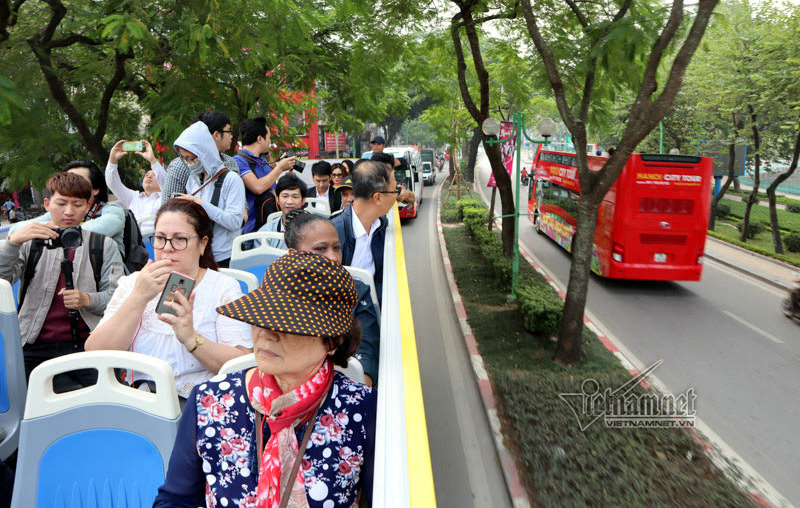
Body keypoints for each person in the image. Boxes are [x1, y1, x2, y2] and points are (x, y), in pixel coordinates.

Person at [153, 250, 376, 508]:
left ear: (332, 341)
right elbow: (174, 500)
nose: (267, 334)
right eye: (262, 317)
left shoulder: (362, 409)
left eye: (289, 324)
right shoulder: (210, 402)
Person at [86, 199, 252, 398]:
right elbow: (97, 352)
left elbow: (241, 364)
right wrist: (138, 298)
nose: (167, 248)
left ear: (202, 244)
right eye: (160, 238)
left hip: (199, 401)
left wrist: (191, 338)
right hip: (138, 400)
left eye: (180, 239)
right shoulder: (133, 284)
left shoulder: (223, 288)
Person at [0, 172, 124, 390]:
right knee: (23, 402)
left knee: (105, 398)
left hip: (88, 344)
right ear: (47, 204)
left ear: (88, 207)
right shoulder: (30, 243)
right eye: (61, 203)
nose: (69, 211)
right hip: (33, 343)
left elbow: (118, 296)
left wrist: (87, 299)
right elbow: (3, 280)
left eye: (77, 204)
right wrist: (11, 243)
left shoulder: (102, 245)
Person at [284, 210, 380, 386]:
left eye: (336, 247)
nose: (334, 258)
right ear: (293, 255)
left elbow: (366, 358)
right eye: (320, 249)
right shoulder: (276, 297)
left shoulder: (357, 292)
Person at [9, 160, 127, 255]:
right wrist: (44, 227)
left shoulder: (112, 211)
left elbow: (101, 228)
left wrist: (52, 231)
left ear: (96, 189)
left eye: (80, 181)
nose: (73, 184)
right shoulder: (57, 213)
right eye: (69, 179)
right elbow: (16, 231)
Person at [171, 121, 246, 267]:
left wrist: (200, 204)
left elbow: (235, 222)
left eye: (192, 158)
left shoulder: (231, 180)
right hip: (197, 254)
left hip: (224, 257)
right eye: (185, 159)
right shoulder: (193, 180)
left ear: (204, 153)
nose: (189, 163)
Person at [331, 159, 395, 302]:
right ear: (377, 198)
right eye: (394, 191)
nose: (396, 197)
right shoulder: (333, 234)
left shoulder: (381, 227)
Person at [234, 117, 297, 233]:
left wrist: (282, 165)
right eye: (269, 138)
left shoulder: (261, 160)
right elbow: (257, 187)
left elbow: (270, 178)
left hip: (270, 226)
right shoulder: (239, 161)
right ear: (260, 139)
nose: (270, 142)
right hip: (251, 231)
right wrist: (279, 168)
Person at [161, 110, 239, 204]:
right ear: (216, 135)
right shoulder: (180, 166)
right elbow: (168, 208)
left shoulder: (229, 163)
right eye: (229, 131)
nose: (231, 136)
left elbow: (242, 212)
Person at [106, 139, 167, 230]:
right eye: (146, 175)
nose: (149, 177)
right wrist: (112, 160)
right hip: (135, 242)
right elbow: (113, 184)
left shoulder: (165, 198)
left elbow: (165, 182)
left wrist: (152, 160)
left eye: (154, 175)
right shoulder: (133, 197)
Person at [257, 172, 307, 249]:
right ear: (277, 199)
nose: (289, 201)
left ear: (303, 200)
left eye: (295, 197)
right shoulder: (265, 233)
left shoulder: (314, 229)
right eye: (285, 196)